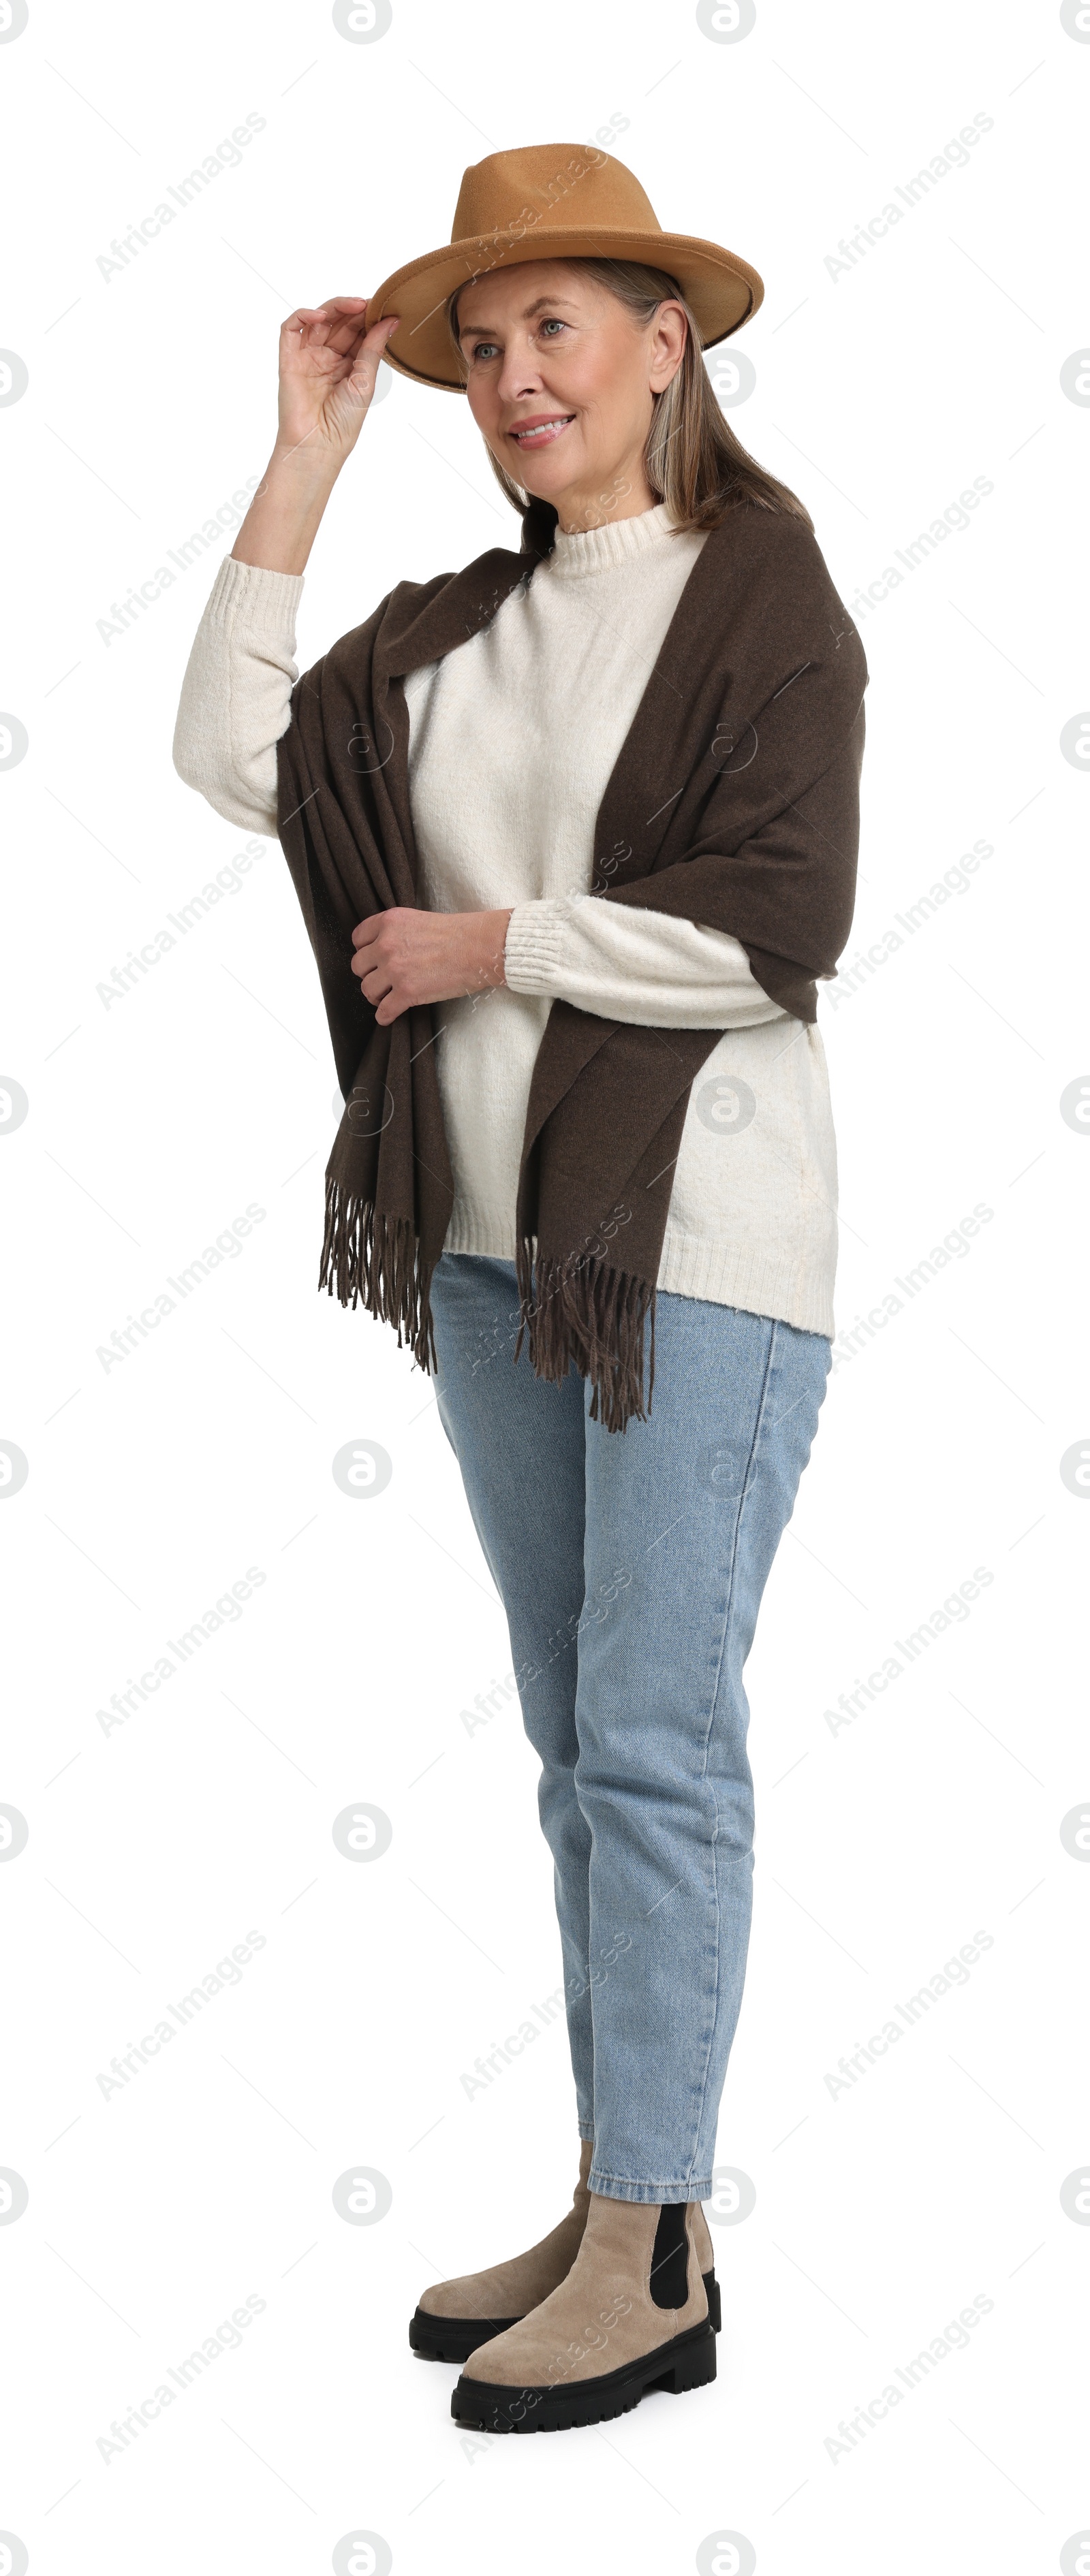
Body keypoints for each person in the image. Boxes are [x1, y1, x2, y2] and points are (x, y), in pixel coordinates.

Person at [174, 140, 867, 2438]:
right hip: (493, 1263)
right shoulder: (455, 629)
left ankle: (661, 2245)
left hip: (698, 1262)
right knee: (585, 1757)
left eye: (553, 327)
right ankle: (607, 2205)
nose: (510, 378)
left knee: (657, 1744)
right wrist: (304, 460)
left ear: (674, 343)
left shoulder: (766, 602)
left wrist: (497, 947)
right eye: (480, 350)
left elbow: (775, 924)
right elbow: (232, 755)